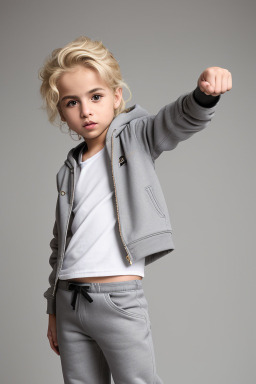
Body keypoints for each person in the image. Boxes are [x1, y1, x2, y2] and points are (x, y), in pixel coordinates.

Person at [39, 36, 232, 384]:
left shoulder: (137, 137)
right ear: (61, 112)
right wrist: (53, 309)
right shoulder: (68, 169)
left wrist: (204, 95)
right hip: (69, 302)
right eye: (72, 102)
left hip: (118, 301)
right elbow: (60, 246)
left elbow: (178, 120)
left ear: (116, 97)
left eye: (95, 96)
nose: (86, 110)